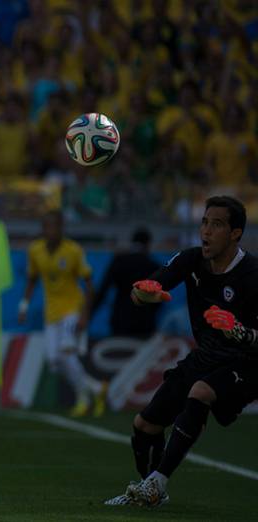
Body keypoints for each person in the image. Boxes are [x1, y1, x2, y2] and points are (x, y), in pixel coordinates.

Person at [106, 196, 258, 507]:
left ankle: (157, 482)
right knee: (143, 427)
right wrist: (145, 294)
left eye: (216, 224)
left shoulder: (252, 274)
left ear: (235, 233)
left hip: (247, 360)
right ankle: (150, 492)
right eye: (204, 222)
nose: (206, 231)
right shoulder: (191, 260)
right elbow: (142, 292)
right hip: (206, 356)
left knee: (200, 392)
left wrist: (241, 332)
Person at [19, 210, 106, 417]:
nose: (50, 231)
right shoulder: (35, 250)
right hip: (51, 313)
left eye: (54, 227)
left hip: (72, 309)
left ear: (61, 229)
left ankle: (82, 399)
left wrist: (85, 314)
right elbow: (32, 279)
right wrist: (23, 306)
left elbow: (89, 285)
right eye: (47, 227)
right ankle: (96, 388)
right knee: (53, 360)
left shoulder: (73, 250)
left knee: (67, 354)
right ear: (42, 229)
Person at [91, 227, 162, 339]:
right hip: (144, 322)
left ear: (132, 242)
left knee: (120, 353)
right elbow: (158, 299)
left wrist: (89, 314)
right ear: (148, 244)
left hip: (120, 319)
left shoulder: (119, 261)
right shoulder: (154, 266)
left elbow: (103, 290)